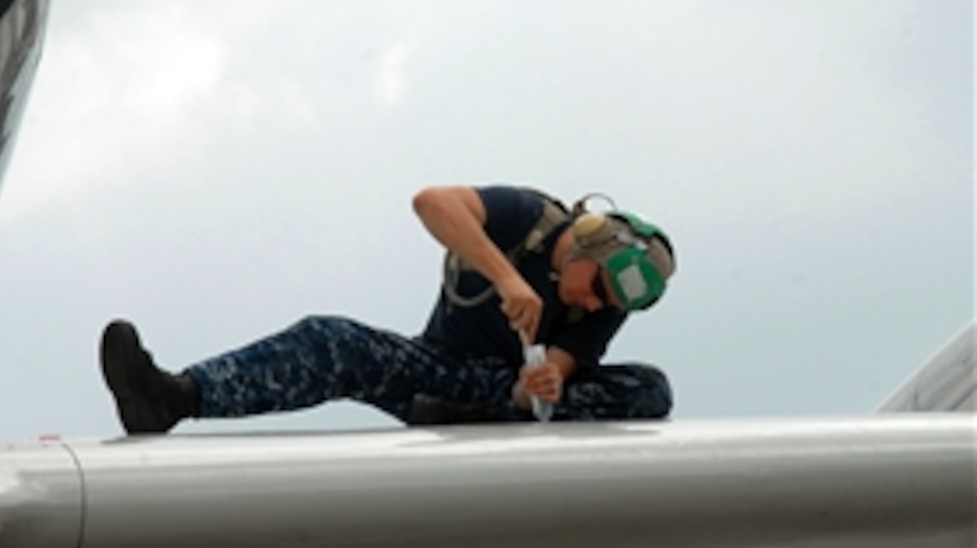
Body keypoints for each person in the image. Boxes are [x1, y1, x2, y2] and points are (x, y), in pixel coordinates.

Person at [99, 185, 676, 434]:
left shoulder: (608, 301)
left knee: (650, 387)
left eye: (610, 302)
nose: (598, 305)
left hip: (504, 398)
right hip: (438, 378)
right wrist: (506, 278)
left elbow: (559, 372)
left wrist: (540, 386)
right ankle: (175, 397)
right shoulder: (525, 216)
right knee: (335, 340)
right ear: (586, 243)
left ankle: (482, 422)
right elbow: (433, 203)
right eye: (598, 287)